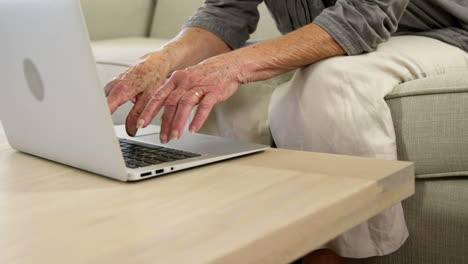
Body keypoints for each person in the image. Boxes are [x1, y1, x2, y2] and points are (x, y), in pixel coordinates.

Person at [105, 0, 468, 263]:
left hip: (444, 34)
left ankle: (345, 253)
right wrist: (161, 60)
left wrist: (234, 66)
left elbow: (361, 17)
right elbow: (225, 12)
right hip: (335, 36)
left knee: (332, 82)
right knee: (213, 89)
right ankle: (242, 243)